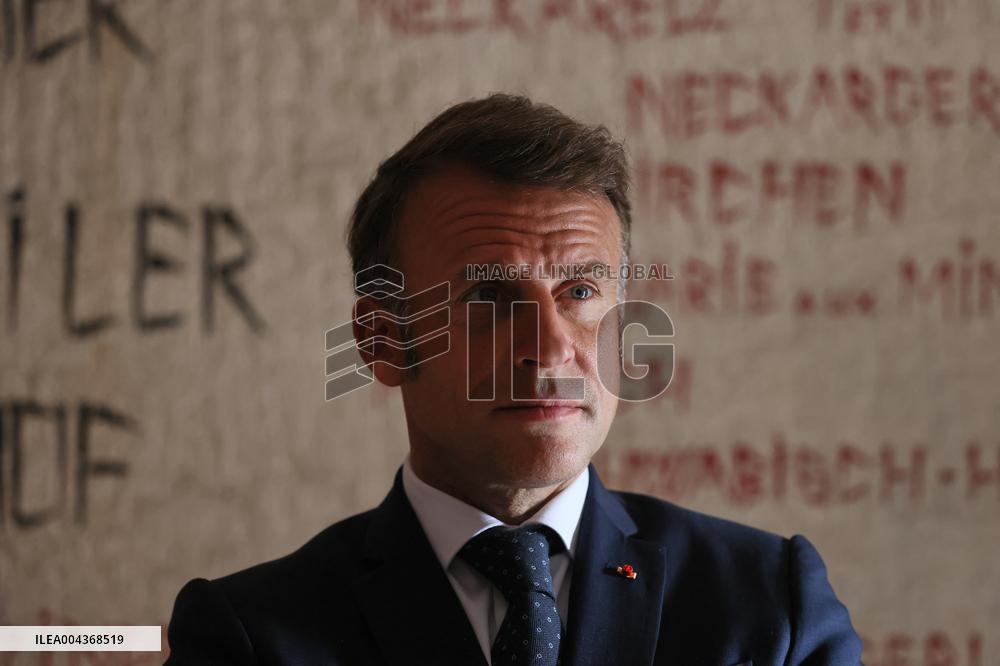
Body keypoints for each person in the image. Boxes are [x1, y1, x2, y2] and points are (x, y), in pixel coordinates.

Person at [165, 94, 862, 665]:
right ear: (382, 341)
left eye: (581, 293)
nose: (550, 349)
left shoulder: (772, 605)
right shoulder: (250, 638)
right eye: (489, 298)